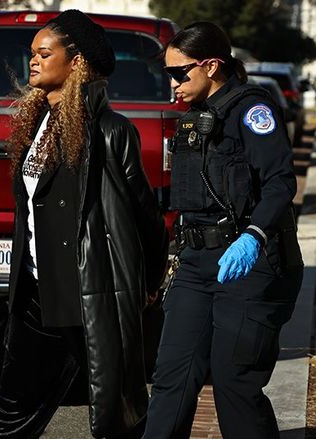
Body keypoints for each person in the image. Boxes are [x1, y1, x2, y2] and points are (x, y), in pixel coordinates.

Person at [0, 10, 168, 438]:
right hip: (35, 291)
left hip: (87, 295)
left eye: (44, 53)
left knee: (115, 411)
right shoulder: (36, 122)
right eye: (32, 54)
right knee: (11, 408)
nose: (33, 61)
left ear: (77, 62)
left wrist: (148, 282)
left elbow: (145, 214)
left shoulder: (111, 131)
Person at [144, 22, 303, 439]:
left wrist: (254, 235)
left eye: (179, 73)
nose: (173, 84)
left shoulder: (252, 110)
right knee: (172, 378)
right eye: (167, 74)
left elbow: (280, 182)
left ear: (211, 65)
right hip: (196, 263)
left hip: (248, 263)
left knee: (235, 384)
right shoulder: (194, 117)